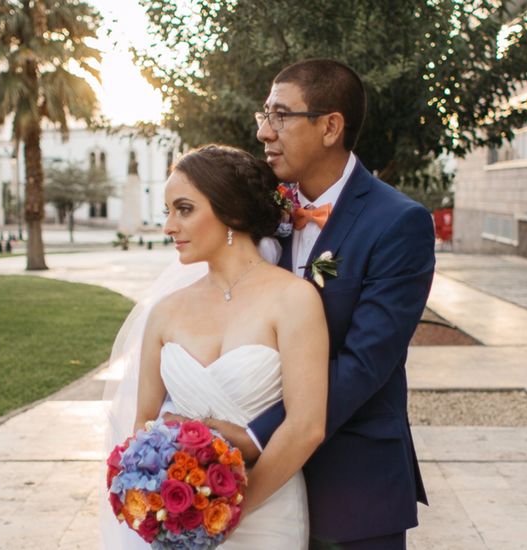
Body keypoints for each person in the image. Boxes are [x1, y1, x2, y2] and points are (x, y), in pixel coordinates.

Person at [186, 59, 435, 549]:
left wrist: (257, 435)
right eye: (264, 114)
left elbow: (365, 364)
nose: (263, 132)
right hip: (250, 489)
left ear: (330, 126)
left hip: (351, 487)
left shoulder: (399, 224)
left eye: (280, 116)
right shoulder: (261, 209)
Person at [106, 144, 329, 548]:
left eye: (184, 209)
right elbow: (143, 422)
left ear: (234, 214)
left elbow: (306, 427)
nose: (169, 227)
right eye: (167, 212)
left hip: (268, 515)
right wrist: (171, 510)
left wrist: (228, 514)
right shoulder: (166, 312)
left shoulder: (294, 300)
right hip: (182, 522)